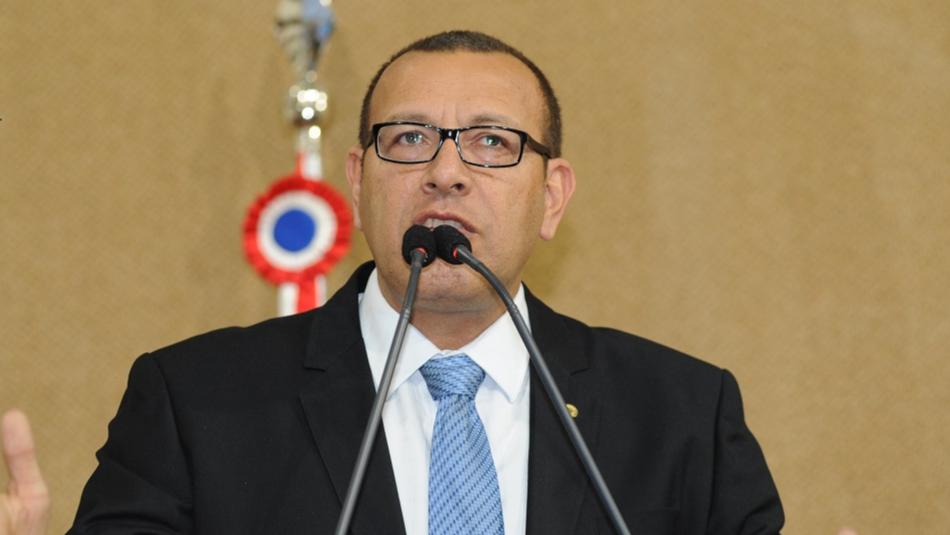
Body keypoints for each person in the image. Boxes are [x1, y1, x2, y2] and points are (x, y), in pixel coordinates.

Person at [5, 31, 794, 534]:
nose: (446, 171)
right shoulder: (194, 403)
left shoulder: (682, 413)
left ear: (552, 196)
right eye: (410, 138)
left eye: (492, 142)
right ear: (358, 182)